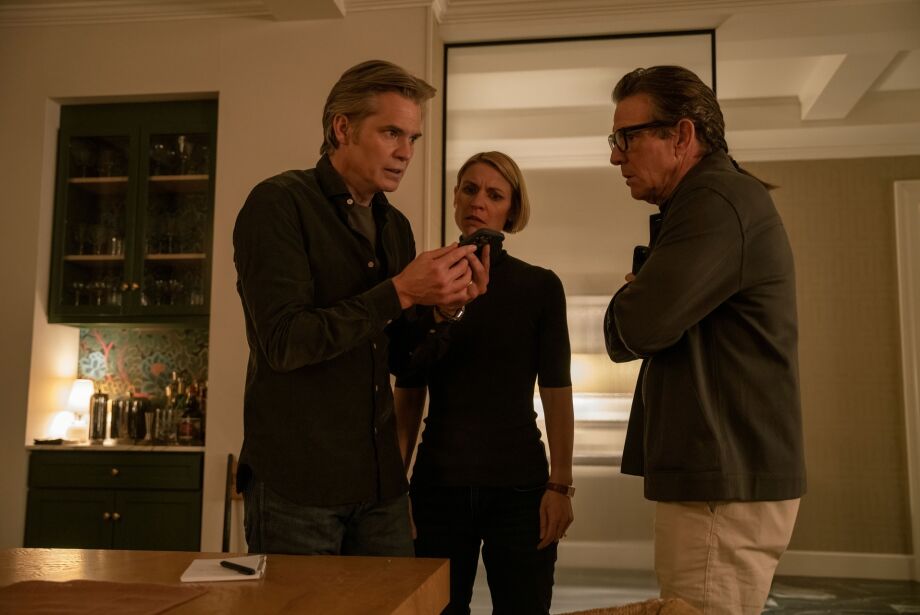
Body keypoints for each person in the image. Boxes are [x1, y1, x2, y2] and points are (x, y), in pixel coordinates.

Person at [232, 60, 488, 557]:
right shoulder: (278, 204)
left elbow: (401, 361)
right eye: (391, 133)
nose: (405, 152)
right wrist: (401, 292)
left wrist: (444, 311)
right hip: (297, 484)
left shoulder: (396, 227)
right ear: (342, 128)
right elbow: (285, 342)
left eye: (412, 138)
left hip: (379, 484)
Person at [603, 66, 806, 615]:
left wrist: (632, 296)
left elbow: (637, 327)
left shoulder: (713, 198)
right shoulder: (716, 199)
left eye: (626, 137)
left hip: (722, 481)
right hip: (724, 475)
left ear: (682, 136)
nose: (616, 156)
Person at [395, 151, 575, 614]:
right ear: (455, 198)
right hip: (439, 484)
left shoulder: (539, 287)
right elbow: (408, 391)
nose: (479, 201)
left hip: (520, 488)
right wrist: (395, 489)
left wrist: (560, 486)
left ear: (511, 211)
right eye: (470, 189)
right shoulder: (425, 282)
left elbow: (556, 390)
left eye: (494, 195)